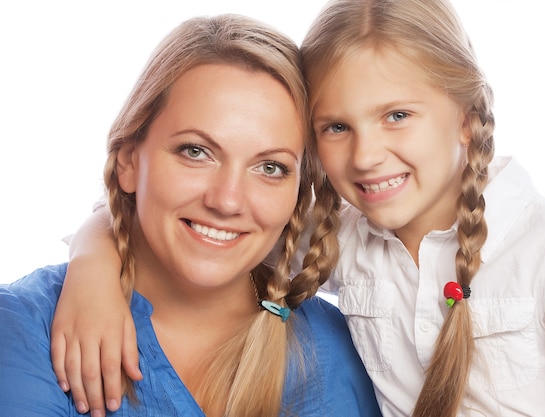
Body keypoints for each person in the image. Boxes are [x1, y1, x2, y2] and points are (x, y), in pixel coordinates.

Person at [47, 0, 545, 416]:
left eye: (397, 115)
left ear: (468, 120)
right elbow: (200, 219)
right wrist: (93, 266)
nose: (367, 155)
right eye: (337, 127)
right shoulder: (344, 241)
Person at [0, 13, 382, 417]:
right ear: (129, 160)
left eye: (270, 167)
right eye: (195, 152)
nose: (228, 201)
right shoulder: (25, 330)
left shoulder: (344, 351)